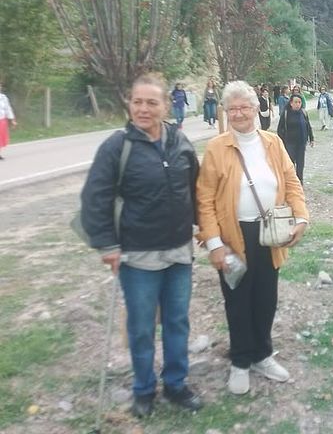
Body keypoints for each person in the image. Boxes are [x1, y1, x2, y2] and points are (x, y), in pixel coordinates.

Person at [80, 74, 202, 418]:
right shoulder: (117, 146)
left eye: (152, 102)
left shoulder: (180, 142)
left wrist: (204, 226)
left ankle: (176, 384)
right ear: (129, 105)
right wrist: (106, 243)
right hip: (136, 254)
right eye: (138, 102)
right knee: (142, 327)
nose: (144, 109)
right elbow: (95, 198)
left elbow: (195, 189)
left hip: (179, 251)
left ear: (166, 105)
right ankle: (144, 389)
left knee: (178, 322)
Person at [196, 81, 309, 395]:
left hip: (269, 233)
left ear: (257, 107)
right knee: (237, 300)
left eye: (244, 107)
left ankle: (261, 354)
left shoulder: (272, 142)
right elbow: (204, 199)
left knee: (265, 297)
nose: (238, 113)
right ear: (226, 113)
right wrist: (214, 243)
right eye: (232, 109)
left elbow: (290, 180)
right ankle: (240, 361)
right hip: (233, 236)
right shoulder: (217, 147)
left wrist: (301, 217)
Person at [277, 94, 314, 183]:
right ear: (291, 103)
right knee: (290, 163)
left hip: (301, 142)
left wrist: (311, 138)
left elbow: (308, 126)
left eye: (299, 102)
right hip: (290, 143)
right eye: (295, 102)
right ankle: (290, 181)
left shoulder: (303, 113)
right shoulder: (286, 113)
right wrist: (283, 141)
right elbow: (280, 129)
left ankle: (299, 180)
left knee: (300, 163)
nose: (298, 104)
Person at [0, 81, 17, 159]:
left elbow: (8, 109)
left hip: (2, 120)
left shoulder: (3, 97)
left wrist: (12, 120)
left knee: (0, 138)